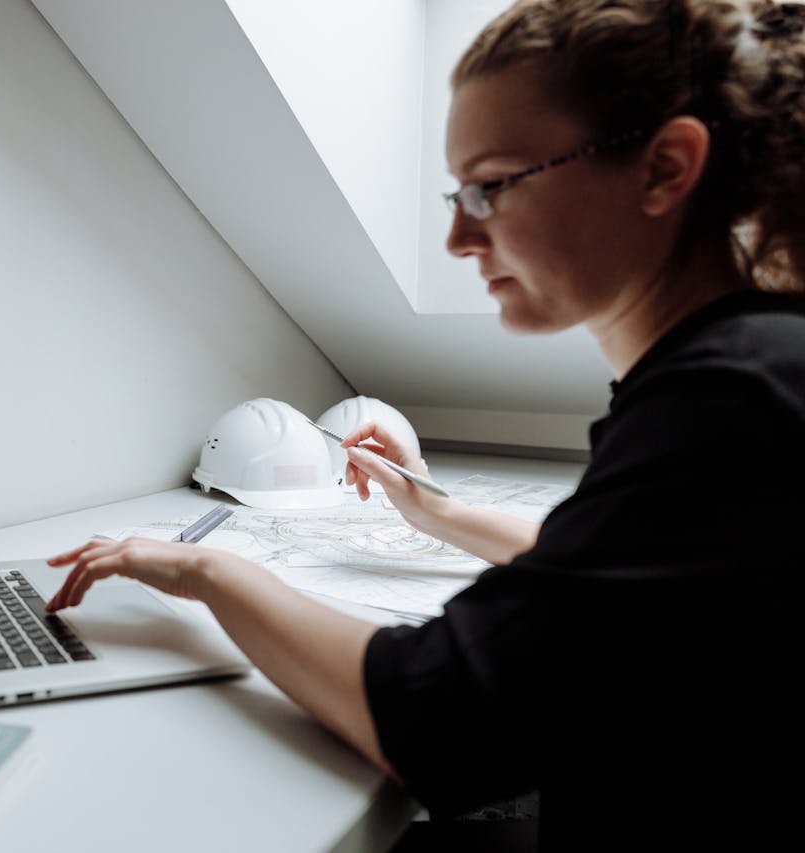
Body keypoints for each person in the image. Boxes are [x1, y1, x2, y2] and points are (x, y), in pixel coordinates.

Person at [46, 0, 805, 846]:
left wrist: (210, 573)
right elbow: (633, 577)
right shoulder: (753, 367)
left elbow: (432, 714)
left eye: (492, 186)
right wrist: (436, 512)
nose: (455, 236)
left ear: (665, 168)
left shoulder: (733, 398)